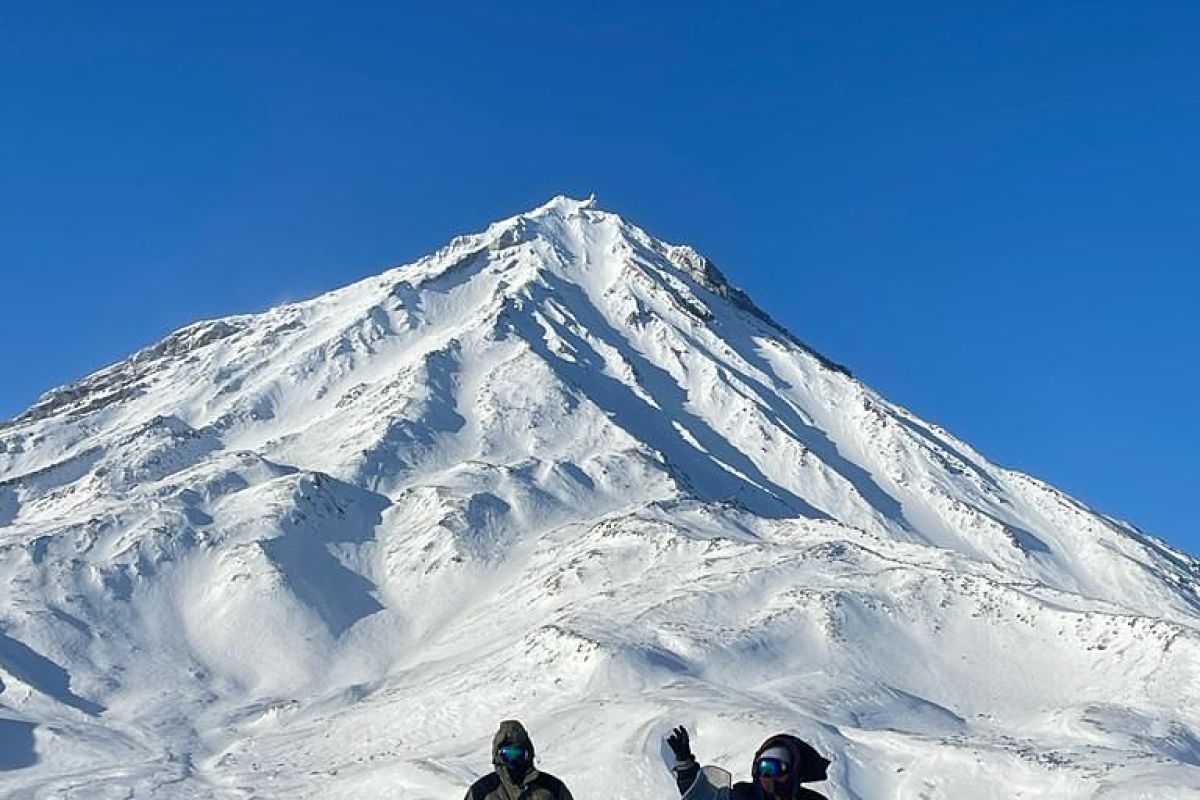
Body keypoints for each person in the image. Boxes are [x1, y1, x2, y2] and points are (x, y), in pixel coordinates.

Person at [666, 725, 830, 800]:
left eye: (774, 767)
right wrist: (685, 763)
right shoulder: (743, 795)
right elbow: (704, 796)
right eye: (762, 767)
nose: (766, 775)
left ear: (792, 771)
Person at [465, 719, 575, 800]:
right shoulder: (481, 791)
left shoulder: (552, 787)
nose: (514, 759)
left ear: (528, 754)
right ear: (498, 756)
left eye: (518, 753)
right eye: (508, 754)